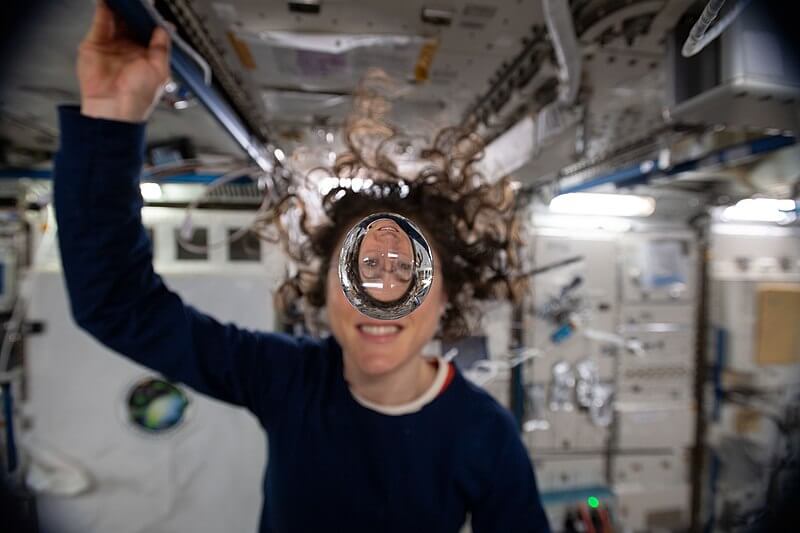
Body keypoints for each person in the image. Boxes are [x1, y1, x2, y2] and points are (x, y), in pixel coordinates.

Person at [53, 2, 551, 532]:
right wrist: (109, 121)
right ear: (324, 289)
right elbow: (116, 304)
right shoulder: (287, 378)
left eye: (408, 274)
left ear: (446, 296)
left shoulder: (484, 435)